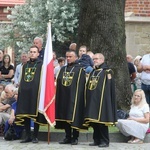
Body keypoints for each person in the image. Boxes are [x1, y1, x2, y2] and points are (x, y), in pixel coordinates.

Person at [84, 53, 117, 148]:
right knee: (94, 122)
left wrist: (106, 100)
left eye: (97, 59)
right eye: (93, 59)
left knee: (102, 122)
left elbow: (109, 87)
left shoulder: (107, 71)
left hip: (102, 100)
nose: (95, 60)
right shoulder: (93, 72)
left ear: (102, 60)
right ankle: (97, 140)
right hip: (93, 100)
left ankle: (105, 141)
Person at [15, 45, 47, 143]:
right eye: (31, 52)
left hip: (36, 93)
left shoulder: (41, 65)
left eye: (34, 52)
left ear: (38, 53)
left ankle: (35, 136)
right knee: (25, 114)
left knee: (35, 114)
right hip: (25, 93)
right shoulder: (25, 65)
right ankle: (28, 135)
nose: (32, 53)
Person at [55, 50, 86, 145]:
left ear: (76, 57)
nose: (68, 58)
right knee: (65, 116)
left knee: (74, 116)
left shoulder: (80, 69)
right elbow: (59, 83)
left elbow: (81, 85)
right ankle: (67, 136)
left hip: (74, 97)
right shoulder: (62, 69)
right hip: (64, 96)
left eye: (70, 57)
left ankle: (75, 137)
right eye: (67, 57)